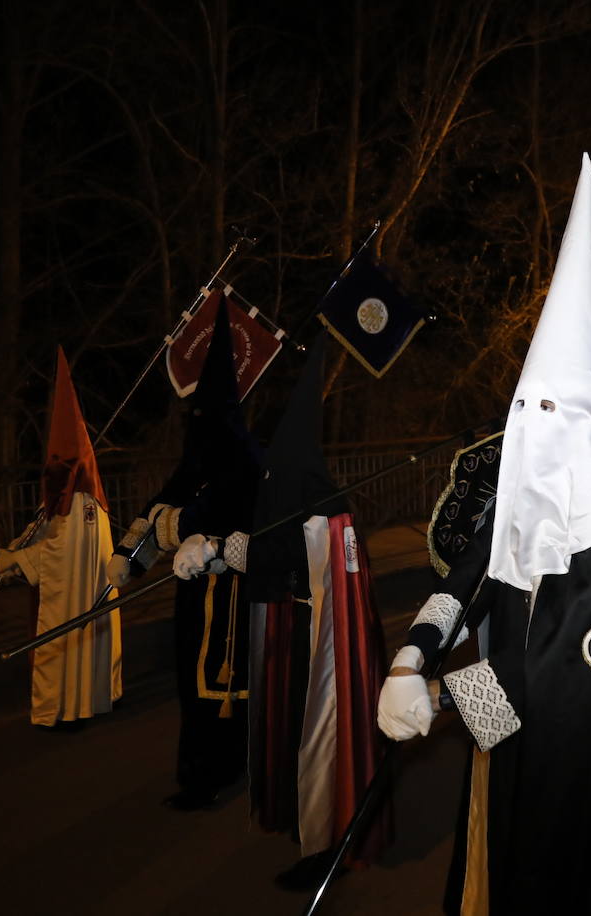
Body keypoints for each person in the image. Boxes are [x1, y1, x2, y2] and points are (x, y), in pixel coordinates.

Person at [377, 155, 591, 915]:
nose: (531, 438)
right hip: (508, 734)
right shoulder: (524, 505)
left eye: (549, 418)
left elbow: (561, 674)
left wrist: (442, 696)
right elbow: (464, 579)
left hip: (577, 758)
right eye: (523, 415)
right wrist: (412, 655)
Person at [172, 336, 391, 880]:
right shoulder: (293, 491)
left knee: (321, 740)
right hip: (297, 629)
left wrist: (232, 550)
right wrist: (222, 556)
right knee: (295, 735)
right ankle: (308, 825)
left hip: (326, 647)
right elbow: (276, 542)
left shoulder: (325, 504)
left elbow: (303, 551)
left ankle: (327, 847)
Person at [108, 301, 260, 809]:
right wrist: (131, 553)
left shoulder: (243, 461)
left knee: (220, 688)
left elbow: (206, 515)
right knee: (193, 689)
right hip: (194, 592)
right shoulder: (199, 456)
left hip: (229, 592)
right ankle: (199, 772)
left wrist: (191, 537)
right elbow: (164, 504)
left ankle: (215, 774)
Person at [0, 347, 122, 727]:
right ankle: (95, 697)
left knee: (64, 635)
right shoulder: (91, 500)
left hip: (67, 601)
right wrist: (23, 543)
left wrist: (17, 560)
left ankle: (63, 709)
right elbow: (49, 529)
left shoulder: (73, 500)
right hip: (84, 592)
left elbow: (57, 558)